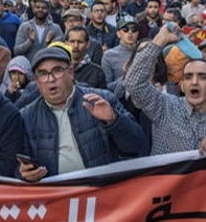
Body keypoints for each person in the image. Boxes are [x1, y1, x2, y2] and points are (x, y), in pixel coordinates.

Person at [18, 46, 148, 181]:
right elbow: (17, 166)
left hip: (101, 191)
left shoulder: (102, 99)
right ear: (36, 80)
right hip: (56, 196)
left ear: (71, 72)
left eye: (57, 70)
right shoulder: (26, 116)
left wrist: (114, 121)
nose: (51, 79)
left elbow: (137, 145)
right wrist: (24, 173)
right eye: (43, 74)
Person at [124, 24, 206, 155]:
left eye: (202, 77)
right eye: (188, 77)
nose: (194, 82)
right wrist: (159, 41)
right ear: (182, 85)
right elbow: (134, 84)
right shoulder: (164, 107)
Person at [102, 16, 139, 91]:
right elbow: (106, 86)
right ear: (118, 33)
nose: (130, 32)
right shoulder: (109, 55)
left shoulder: (145, 52)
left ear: (138, 33)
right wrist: (127, 77)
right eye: (125, 29)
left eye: (134, 29)